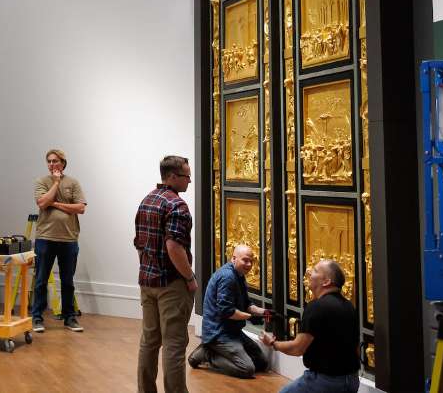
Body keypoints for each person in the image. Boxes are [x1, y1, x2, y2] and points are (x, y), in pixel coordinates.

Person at [134, 155, 196, 393]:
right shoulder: (177, 205)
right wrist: (189, 278)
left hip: (147, 281)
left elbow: (140, 243)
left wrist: (147, 268)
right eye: (186, 176)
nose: (189, 181)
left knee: (149, 341)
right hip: (171, 284)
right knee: (174, 344)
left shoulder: (147, 200)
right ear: (171, 176)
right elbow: (174, 246)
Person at [261, 260, 360, 393]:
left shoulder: (316, 307)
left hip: (324, 382)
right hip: (352, 380)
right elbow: (356, 348)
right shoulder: (349, 306)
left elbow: (297, 348)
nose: (309, 273)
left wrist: (273, 343)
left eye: (315, 271)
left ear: (326, 282)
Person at [189, 244, 270, 378]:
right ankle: (208, 354)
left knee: (262, 363)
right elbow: (227, 311)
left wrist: (265, 312)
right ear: (233, 259)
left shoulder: (239, 275)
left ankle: (212, 350)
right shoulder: (228, 277)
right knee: (247, 369)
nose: (249, 264)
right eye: (245, 260)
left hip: (233, 331)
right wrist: (250, 317)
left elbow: (247, 304)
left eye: (251, 261)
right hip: (218, 333)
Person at [31, 148, 87, 333]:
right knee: (41, 280)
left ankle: (69, 317)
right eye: (49, 161)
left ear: (63, 163)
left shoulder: (73, 182)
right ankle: (37, 318)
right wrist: (55, 183)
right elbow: (42, 203)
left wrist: (54, 203)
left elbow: (80, 208)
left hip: (69, 238)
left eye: (55, 161)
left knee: (67, 280)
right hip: (45, 238)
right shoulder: (42, 181)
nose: (52, 164)